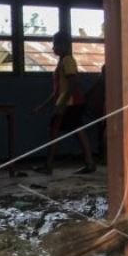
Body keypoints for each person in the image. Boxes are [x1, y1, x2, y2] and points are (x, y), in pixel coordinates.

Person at [33, 31, 96, 175]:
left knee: (58, 131)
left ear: (63, 45)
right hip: (66, 102)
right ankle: (89, 162)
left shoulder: (67, 60)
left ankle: (49, 166)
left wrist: (63, 103)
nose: (53, 48)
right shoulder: (62, 61)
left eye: (55, 45)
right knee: (74, 130)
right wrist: (45, 105)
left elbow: (73, 83)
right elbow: (57, 91)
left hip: (70, 103)